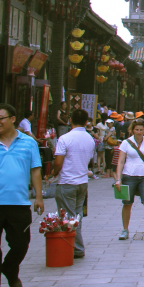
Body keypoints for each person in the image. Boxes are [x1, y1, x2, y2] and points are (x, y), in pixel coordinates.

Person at [0, 103, 43, 287]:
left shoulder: (28, 142)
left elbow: (35, 170)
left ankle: (10, 269)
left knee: (21, 244)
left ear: (12, 119)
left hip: (20, 204)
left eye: (0, 118)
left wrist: (38, 196)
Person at [52, 109, 95, 259]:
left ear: (70, 120)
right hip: (82, 182)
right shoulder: (90, 139)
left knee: (67, 216)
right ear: (86, 122)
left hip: (67, 182)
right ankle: (76, 246)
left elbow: (58, 162)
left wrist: (53, 172)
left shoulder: (64, 138)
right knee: (77, 216)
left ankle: (75, 248)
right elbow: (90, 159)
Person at [113, 117, 144, 242]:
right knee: (127, 204)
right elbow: (120, 161)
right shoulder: (126, 143)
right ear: (132, 130)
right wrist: (118, 179)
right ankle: (125, 229)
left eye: (141, 130)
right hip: (129, 176)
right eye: (136, 130)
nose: (139, 132)